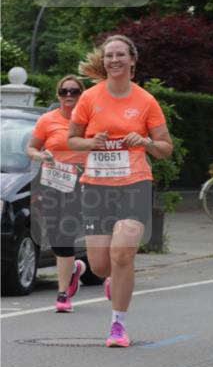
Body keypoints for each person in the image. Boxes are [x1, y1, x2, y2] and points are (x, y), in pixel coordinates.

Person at [68, 35, 173, 347]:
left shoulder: (145, 101)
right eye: (109, 55)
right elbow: (72, 140)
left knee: (123, 254)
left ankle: (118, 326)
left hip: (134, 185)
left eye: (119, 55)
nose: (114, 60)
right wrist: (91, 143)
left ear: (132, 60)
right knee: (102, 265)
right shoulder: (89, 98)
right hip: (97, 187)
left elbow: (165, 149)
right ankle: (97, 273)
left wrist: (146, 143)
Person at [26, 75, 87, 312]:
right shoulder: (47, 120)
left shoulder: (89, 121)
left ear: (82, 94)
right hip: (51, 183)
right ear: (58, 95)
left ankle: (63, 295)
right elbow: (31, 147)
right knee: (53, 234)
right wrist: (40, 156)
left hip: (79, 184)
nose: (69, 96)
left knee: (66, 234)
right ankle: (73, 271)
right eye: (64, 91)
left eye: (74, 91)